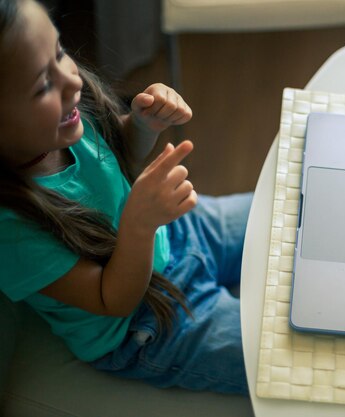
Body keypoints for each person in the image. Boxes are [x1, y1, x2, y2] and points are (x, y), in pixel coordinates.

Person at [0, 0, 250, 394]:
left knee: (289, 213)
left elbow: (116, 158)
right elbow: (110, 298)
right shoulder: (10, 230)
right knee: (285, 353)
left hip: (181, 236)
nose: (72, 80)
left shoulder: (66, 119)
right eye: (42, 85)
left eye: (60, 53)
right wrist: (140, 223)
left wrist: (143, 125)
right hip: (146, 323)